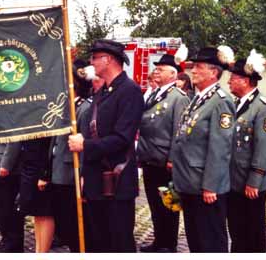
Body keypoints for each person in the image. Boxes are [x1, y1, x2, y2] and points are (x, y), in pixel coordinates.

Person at [68, 39, 144, 252]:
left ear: (108, 59)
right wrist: (84, 173)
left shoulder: (130, 91)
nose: (91, 63)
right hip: (96, 179)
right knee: (98, 240)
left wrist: (86, 145)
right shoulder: (103, 91)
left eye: (94, 58)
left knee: (118, 241)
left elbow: (122, 138)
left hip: (117, 181)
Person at [169, 46, 236, 252]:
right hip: (189, 183)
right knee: (196, 240)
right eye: (193, 66)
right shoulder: (199, 98)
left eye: (198, 67)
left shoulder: (220, 101)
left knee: (211, 241)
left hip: (205, 187)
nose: (193, 71)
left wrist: (211, 186)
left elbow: (220, 148)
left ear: (213, 72)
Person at [137, 54, 189, 253]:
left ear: (173, 74)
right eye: (156, 68)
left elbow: (179, 131)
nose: (156, 71)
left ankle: (169, 244)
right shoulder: (154, 94)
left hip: (165, 162)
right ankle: (159, 240)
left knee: (169, 204)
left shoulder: (178, 98)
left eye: (161, 69)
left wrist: (173, 159)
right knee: (154, 204)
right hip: (150, 158)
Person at [227, 51, 266, 252]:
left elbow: (265, 148)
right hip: (234, 180)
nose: (229, 82)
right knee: (237, 229)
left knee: (253, 230)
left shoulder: (262, 107)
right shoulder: (235, 104)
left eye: (233, 78)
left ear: (246, 81)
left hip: (250, 183)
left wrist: (254, 180)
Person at [49, 58, 94, 252]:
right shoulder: (66, 105)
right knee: (65, 223)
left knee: (75, 225)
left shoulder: (84, 108)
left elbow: (83, 147)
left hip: (71, 173)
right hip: (59, 169)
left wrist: (83, 177)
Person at [19, 137, 53, 253]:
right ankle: (39, 250)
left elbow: (48, 146)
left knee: (44, 212)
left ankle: (43, 252)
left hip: (41, 168)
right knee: (36, 213)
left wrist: (45, 174)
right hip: (30, 165)